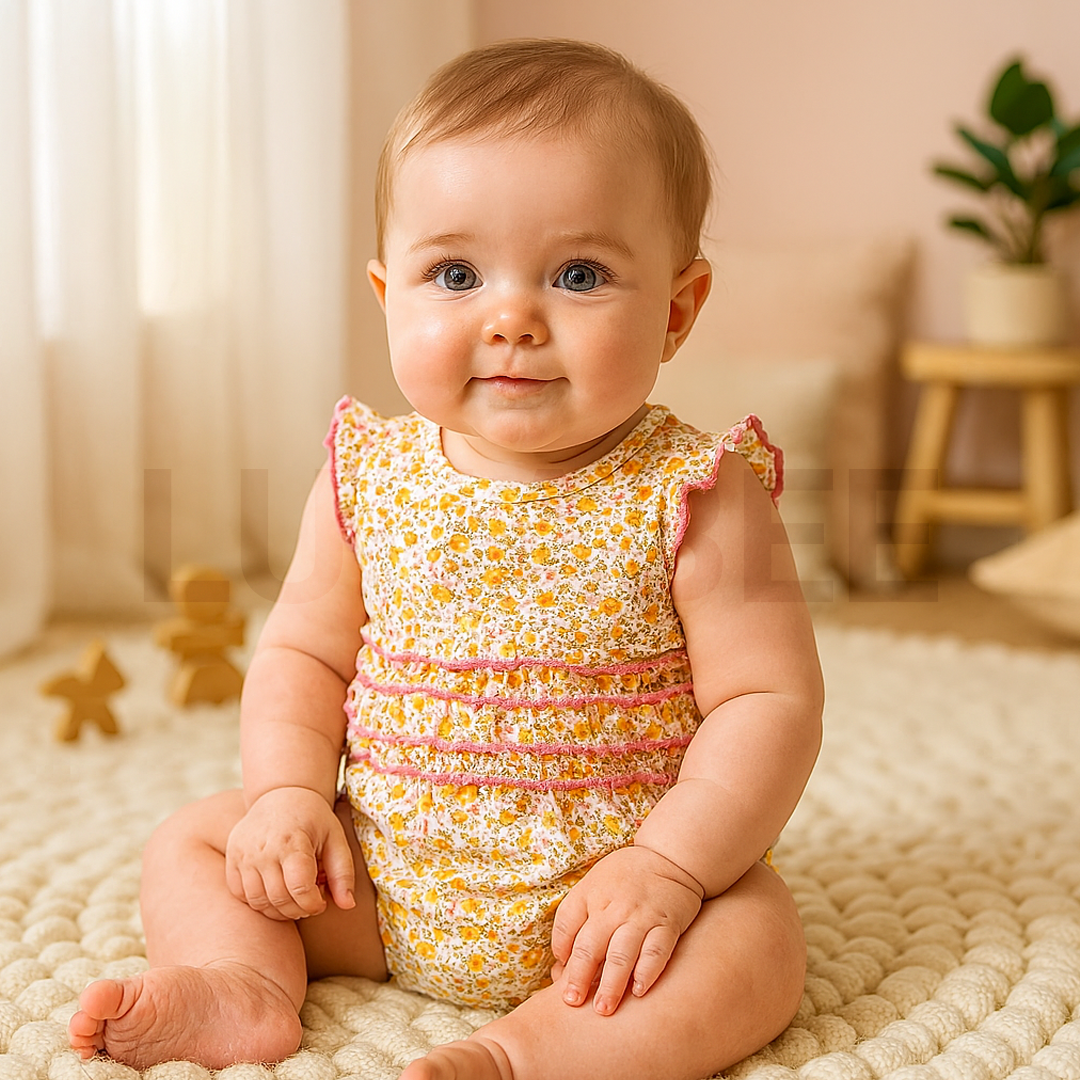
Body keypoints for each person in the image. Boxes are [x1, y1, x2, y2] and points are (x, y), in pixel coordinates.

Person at [69, 38, 824, 1080]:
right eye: (456, 274)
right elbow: (302, 655)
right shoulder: (366, 475)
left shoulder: (699, 492)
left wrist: (672, 867)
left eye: (579, 274)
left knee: (758, 951)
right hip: (380, 873)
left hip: (612, 906)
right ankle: (241, 987)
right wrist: (288, 795)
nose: (511, 318)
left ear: (678, 310)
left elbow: (768, 703)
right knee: (196, 842)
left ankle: (529, 1053)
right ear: (389, 294)